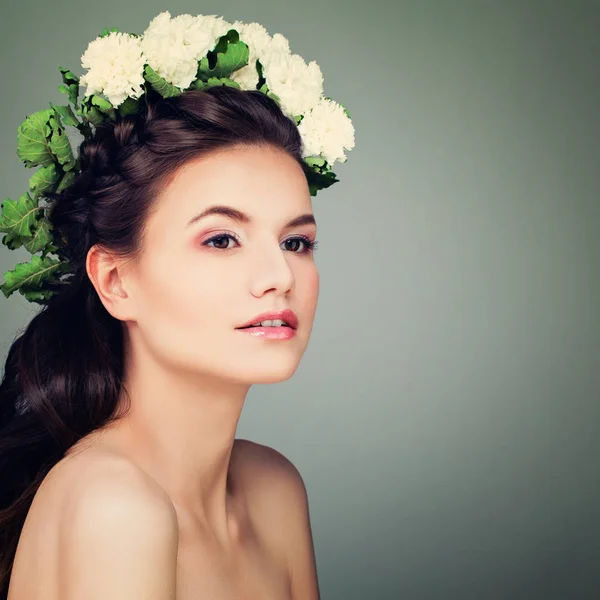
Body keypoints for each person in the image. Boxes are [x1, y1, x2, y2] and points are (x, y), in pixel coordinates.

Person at [0, 13, 354, 600]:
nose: (279, 277)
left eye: (296, 242)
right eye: (221, 239)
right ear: (116, 280)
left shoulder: (273, 489)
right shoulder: (112, 505)